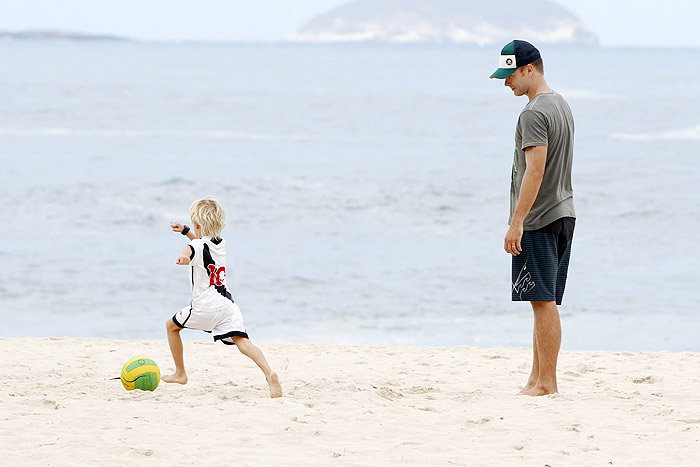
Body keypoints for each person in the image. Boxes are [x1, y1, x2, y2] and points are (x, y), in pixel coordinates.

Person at [490, 40, 576, 396]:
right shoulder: (560, 104)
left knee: (542, 302)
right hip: (563, 211)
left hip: (539, 218)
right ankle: (536, 377)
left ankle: (546, 384)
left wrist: (517, 221)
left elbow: (535, 170)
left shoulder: (533, 113)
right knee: (544, 302)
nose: (506, 82)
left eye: (510, 75)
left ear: (529, 68)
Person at [163, 196, 283, 398]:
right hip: (227, 304)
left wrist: (184, 255)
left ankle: (180, 373)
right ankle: (269, 372)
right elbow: (199, 243)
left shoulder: (196, 247)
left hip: (206, 303)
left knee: (171, 327)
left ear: (198, 224)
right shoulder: (220, 243)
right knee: (242, 341)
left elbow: (192, 248)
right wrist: (185, 232)